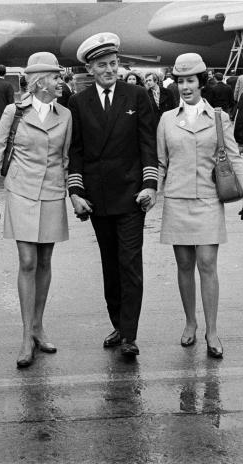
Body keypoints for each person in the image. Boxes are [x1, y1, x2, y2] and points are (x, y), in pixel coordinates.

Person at [156, 53, 243, 359]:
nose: (186, 87)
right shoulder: (166, 120)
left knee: (207, 264)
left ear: (201, 83)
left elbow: (235, 158)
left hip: (209, 200)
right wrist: (149, 193)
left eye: (191, 81)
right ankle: (190, 323)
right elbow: (161, 163)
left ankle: (212, 330)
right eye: (181, 81)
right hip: (176, 200)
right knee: (184, 265)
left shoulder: (219, 118)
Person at [67, 32, 158, 358]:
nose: (109, 69)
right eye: (102, 65)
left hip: (132, 195)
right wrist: (75, 191)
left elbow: (148, 143)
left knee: (130, 264)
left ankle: (130, 335)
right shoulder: (78, 102)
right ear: (90, 69)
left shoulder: (136, 95)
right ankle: (118, 324)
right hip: (99, 197)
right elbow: (75, 151)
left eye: (113, 63)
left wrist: (150, 184)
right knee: (110, 265)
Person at [0, 52, 71, 368]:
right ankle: (24, 335)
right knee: (27, 259)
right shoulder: (14, 112)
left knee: (45, 259)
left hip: (51, 193)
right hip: (20, 192)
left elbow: (66, 158)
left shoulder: (65, 115)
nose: (61, 81)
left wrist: (72, 192)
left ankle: (38, 325)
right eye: (56, 77)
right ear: (39, 82)